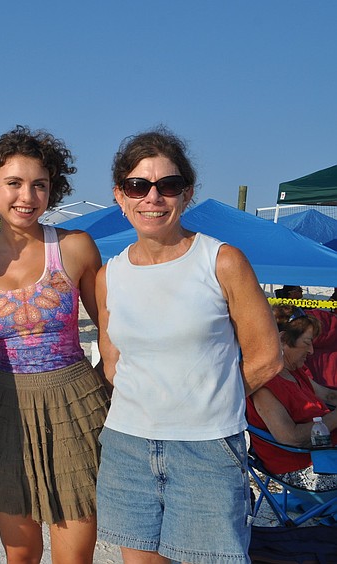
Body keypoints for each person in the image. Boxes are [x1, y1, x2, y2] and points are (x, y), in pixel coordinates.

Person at [95, 127, 283, 564]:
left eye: (169, 185)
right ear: (120, 196)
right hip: (127, 445)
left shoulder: (222, 260)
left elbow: (267, 357)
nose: (153, 197)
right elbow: (112, 363)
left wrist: (209, 400)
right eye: (138, 186)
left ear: (187, 193)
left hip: (208, 448)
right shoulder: (110, 276)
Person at [0, 126, 110, 564]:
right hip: (6, 413)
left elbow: (113, 332)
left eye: (39, 184)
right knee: (22, 555)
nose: (27, 195)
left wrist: (107, 386)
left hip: (78, 407)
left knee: (74, 558)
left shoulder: (75, 248)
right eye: (14, 183)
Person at [247, 304, 337, 491]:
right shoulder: (263, 385)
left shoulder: (293, 371)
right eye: (307, 343)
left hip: (324, 456)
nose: (311, 351)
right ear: (281, 340)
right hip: (302, 467)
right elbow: (291, 438)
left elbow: (329, 395)